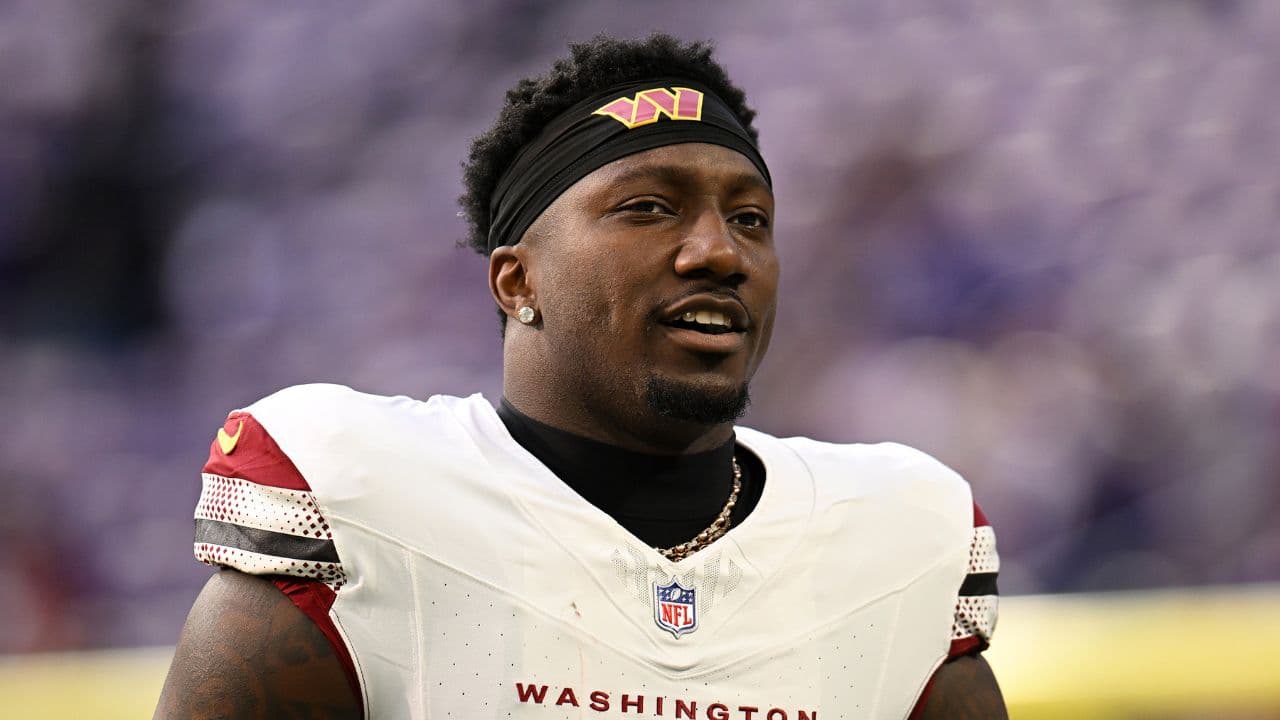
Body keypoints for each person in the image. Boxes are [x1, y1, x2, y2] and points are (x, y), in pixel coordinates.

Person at [155, 34, 1006, 719]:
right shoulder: (364, 503)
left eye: (750, 219)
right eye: (649, 207)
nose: (719, 251)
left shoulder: (895, 541)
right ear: (517, 281)